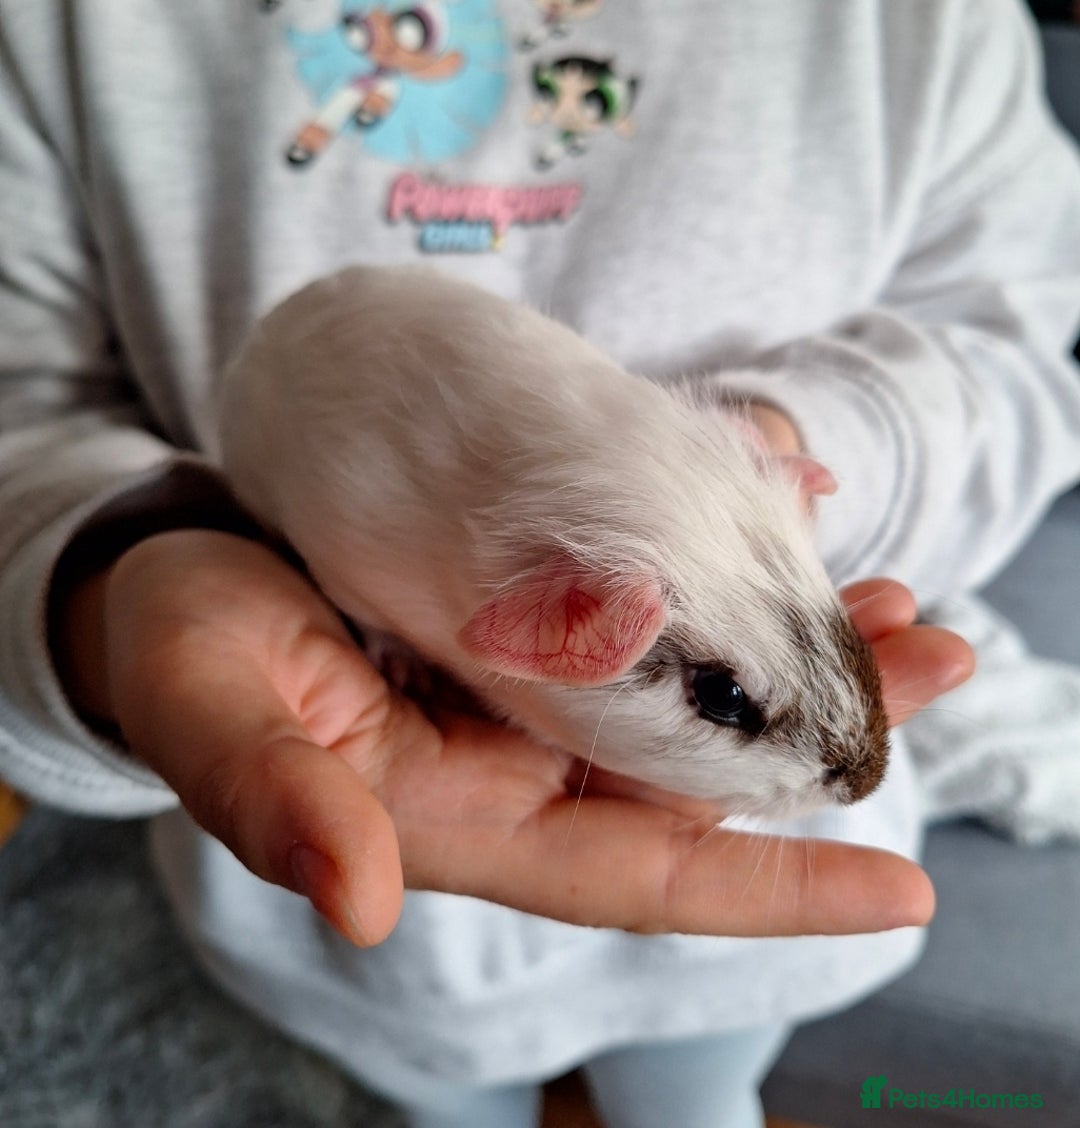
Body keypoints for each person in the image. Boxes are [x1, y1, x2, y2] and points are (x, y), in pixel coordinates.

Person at [1, 1, 1078, 1126]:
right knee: (445, 1098)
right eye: (719, 696)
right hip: (366, 950)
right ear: (572, 623)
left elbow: (1009, 338)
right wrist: (109, 585)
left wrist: (806, 437)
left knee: (704, 1089)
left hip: (741, 949)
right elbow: (22, 399)